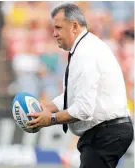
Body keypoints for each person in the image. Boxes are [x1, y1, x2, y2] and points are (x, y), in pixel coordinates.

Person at [27, 3, 133, 168]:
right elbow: (74, 96)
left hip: (106, 133)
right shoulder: (84, 48)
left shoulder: (85, 53)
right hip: (107, 132)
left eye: (58, 28)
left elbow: (83, 109)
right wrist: (46, 107)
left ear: (74, 26)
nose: (54, 34)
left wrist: (51, 119)